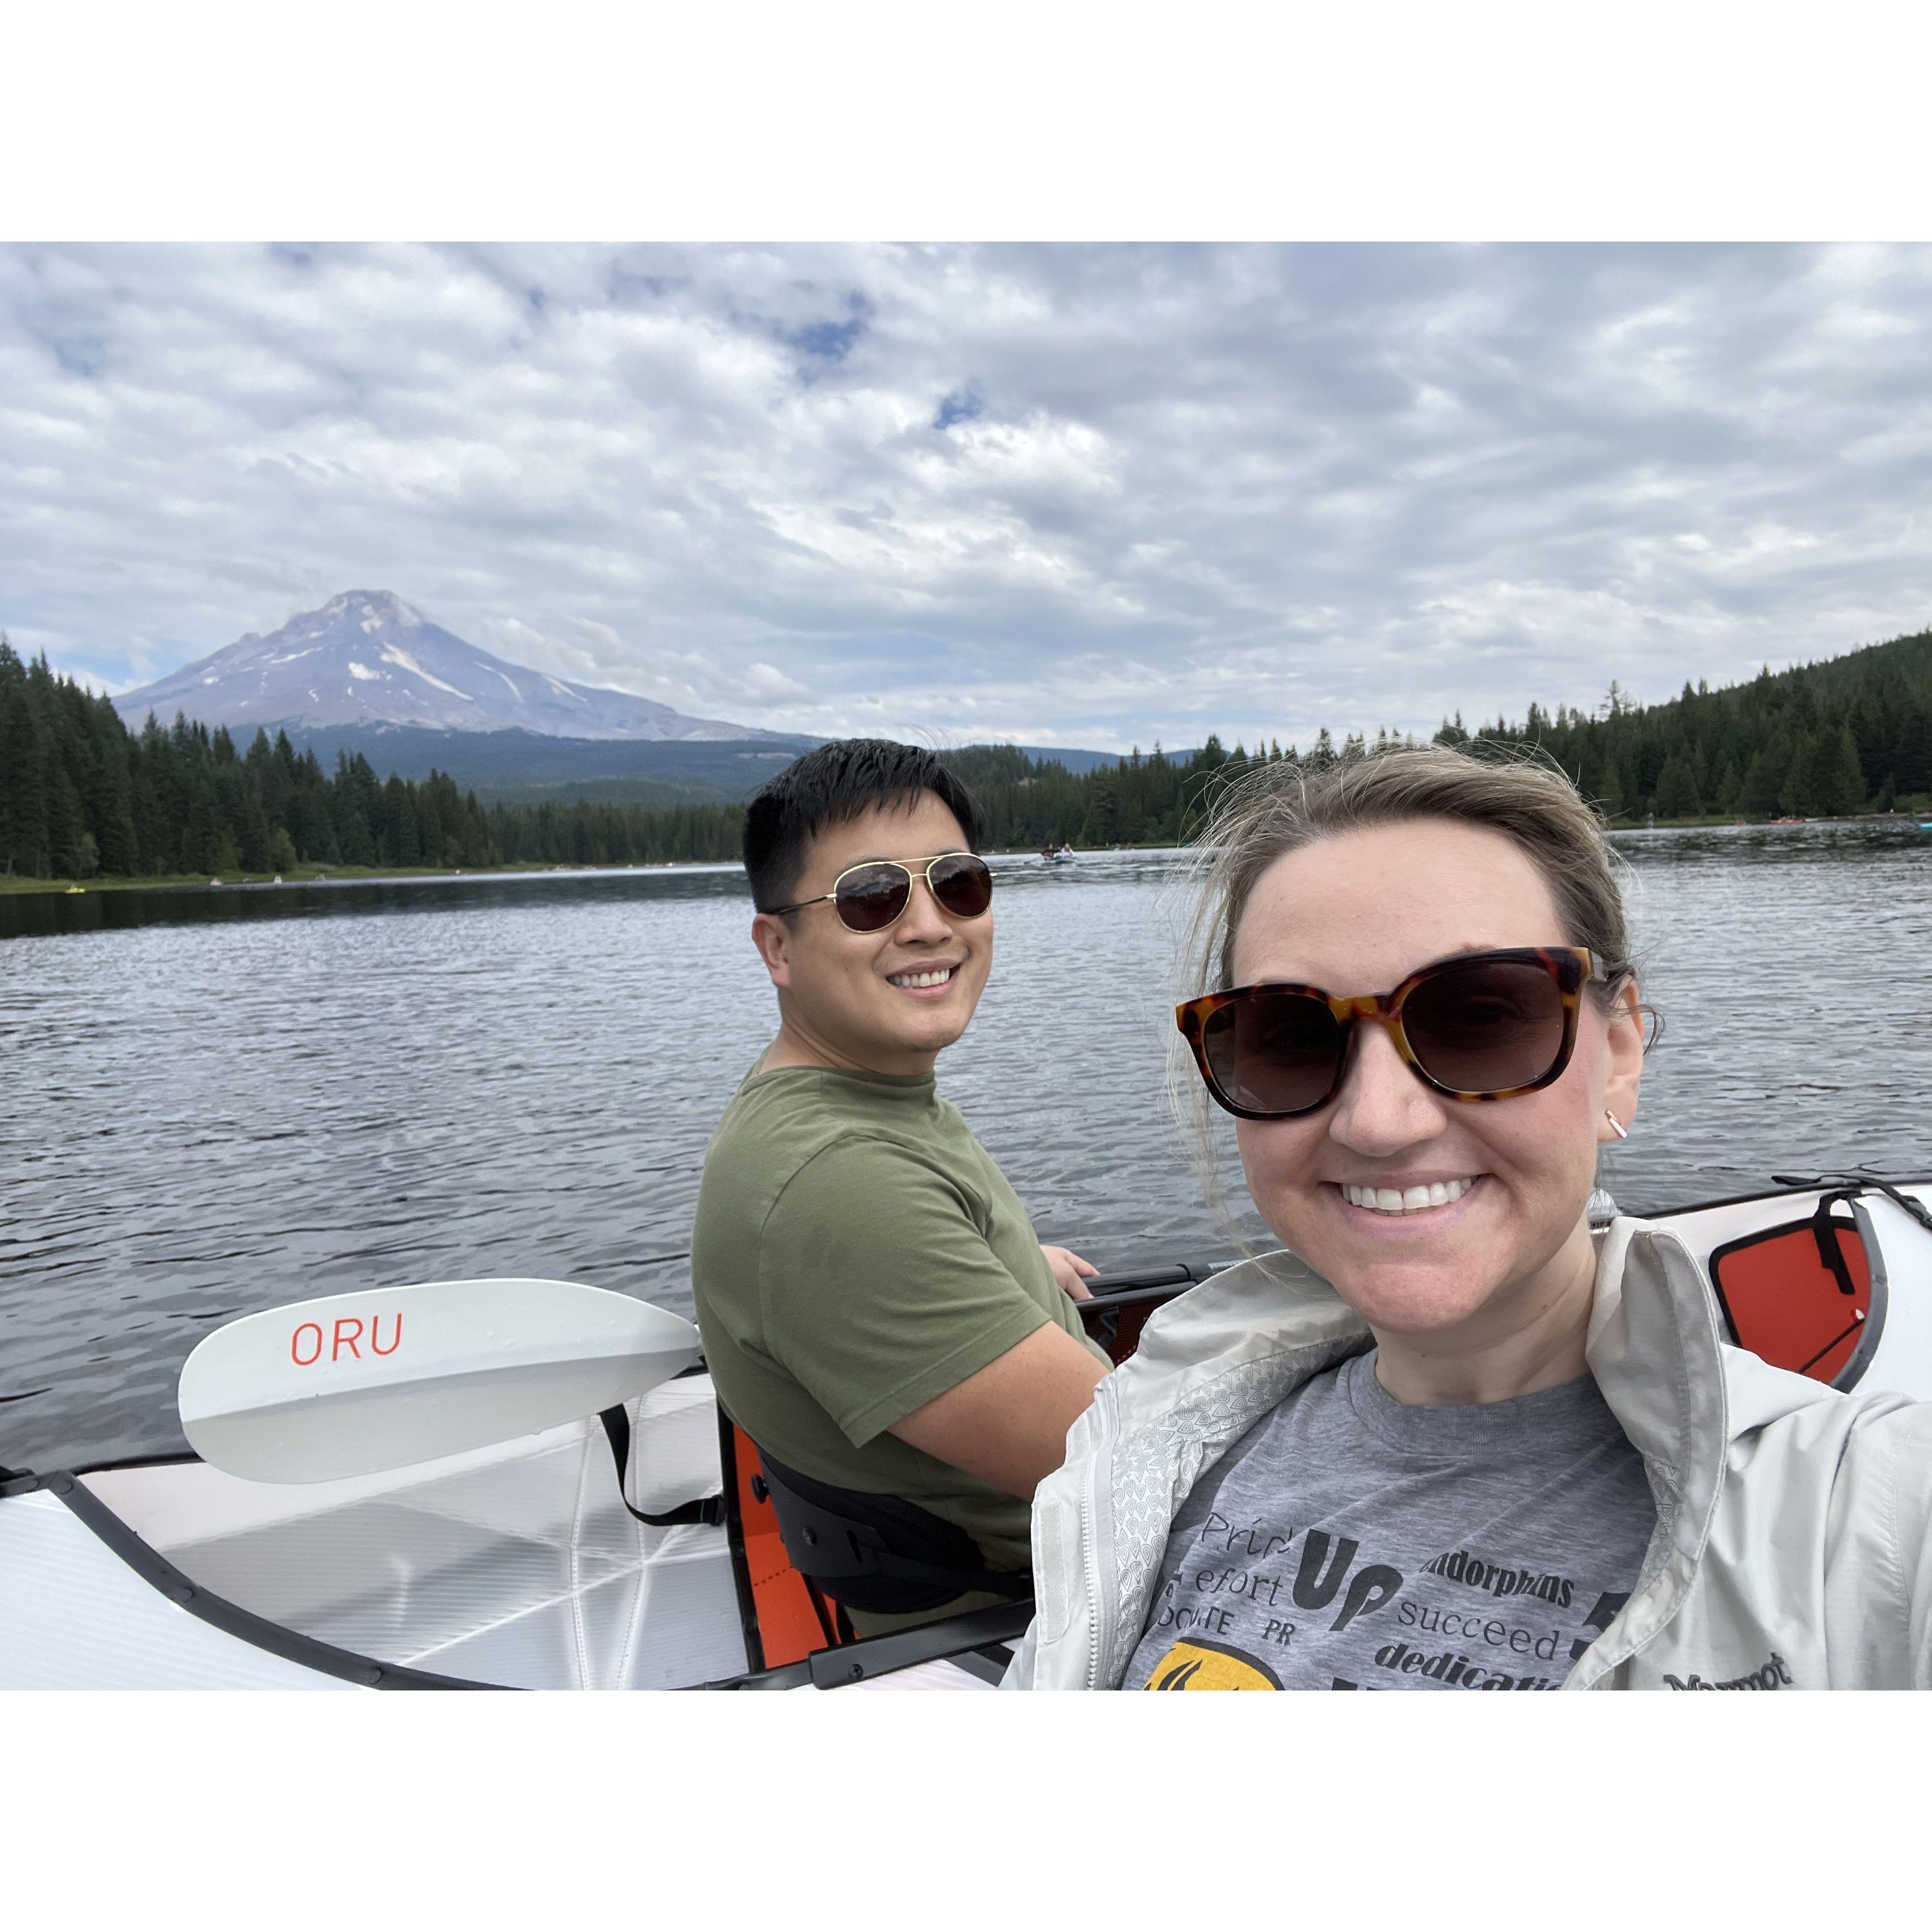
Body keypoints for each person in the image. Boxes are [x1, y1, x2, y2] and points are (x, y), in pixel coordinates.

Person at [1005, 745, 1932, 1689]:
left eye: (1482, 1017)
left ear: (1617, 1056)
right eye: (1289, 1036)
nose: (1378, 1121)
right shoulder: (1154, 1448)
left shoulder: (1861, 1517)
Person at [691, 739, 1112, 1635]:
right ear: (778, 946)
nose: (929, 925)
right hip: (1046, 1611)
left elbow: (867, 1248)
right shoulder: (840, 1188)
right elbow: (1136, 1462)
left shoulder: (851, 1112)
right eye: (872, 897)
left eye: (957, 883)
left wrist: (1002, 1270)